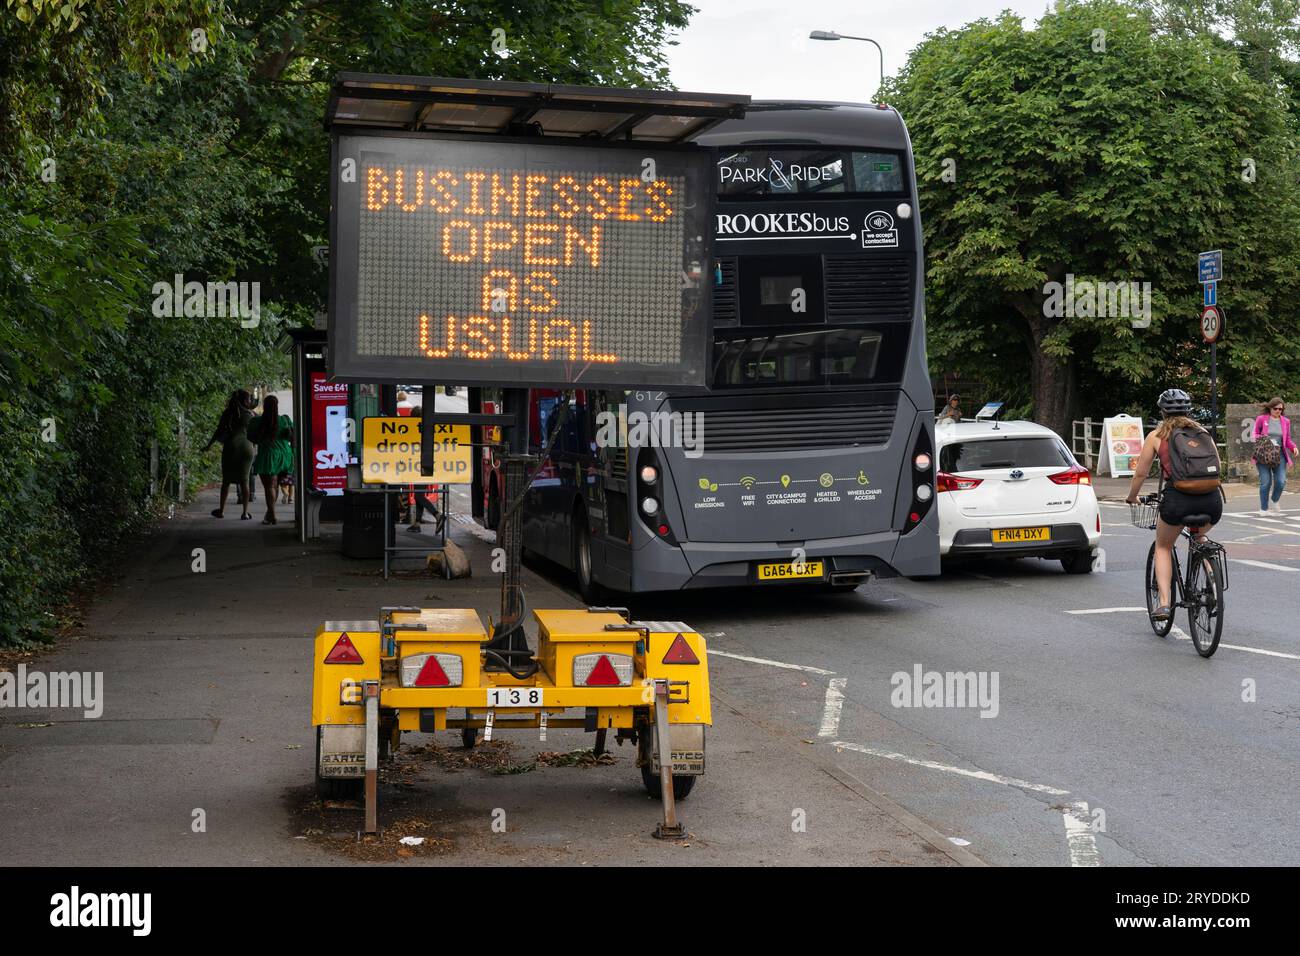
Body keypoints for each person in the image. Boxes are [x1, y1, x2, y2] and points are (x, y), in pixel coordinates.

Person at [1126, 389, 1223, 621]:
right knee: (1199, 538)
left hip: (1178, 501)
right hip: (1211, 501)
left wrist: (1132, 496)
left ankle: (1164, 604)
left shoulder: (1157, 436)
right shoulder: (1202, 433)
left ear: (1162, 411)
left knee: (1163, 546)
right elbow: (1218, 465)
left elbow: (1141, 474)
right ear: (1188, 411)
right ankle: (1214, 588)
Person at [202, 390, 256, 520]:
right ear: (244, 401)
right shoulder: (250, 415)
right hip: (247, 449)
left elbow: (218, 431)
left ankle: (221, 510)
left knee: (226, 481)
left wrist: (208, 446)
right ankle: (245, 513)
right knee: (245, 481)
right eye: (249, 399)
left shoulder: (227, 414)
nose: (250, 402)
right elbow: (255, 434)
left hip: (230, 448)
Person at [248, 395, 294, 525]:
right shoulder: (284, 420)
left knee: (269, 487)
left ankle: (272, 515)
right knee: (275, 486)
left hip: (268, 456)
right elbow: (291, 436)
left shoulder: (257, 421)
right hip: (285, 456)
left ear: (265, 406)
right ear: (277, 406)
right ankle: (269, 514)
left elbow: (251, 438)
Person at [1252, 397, 1296, 515]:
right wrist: (1265, 439)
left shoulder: (1285, 421)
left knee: (1281, 481)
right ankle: (1264, 508)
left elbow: (1287, 440)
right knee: (1266, 482)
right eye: (1275, 408)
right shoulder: (1262, 419)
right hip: (1264, 454)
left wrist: (1294, 448)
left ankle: (1275, 500)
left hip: (1279, 455)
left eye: (1280, 409)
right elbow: (1255, 434)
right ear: (1270, 408)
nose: (1278, 411)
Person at [405, 404, 441, 533]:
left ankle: (437, 515)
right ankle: (417, 524)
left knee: (419, 495)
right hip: (429, 463)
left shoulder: (413, 429)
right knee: (419, 494)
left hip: (417, 464)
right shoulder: (429, 427)